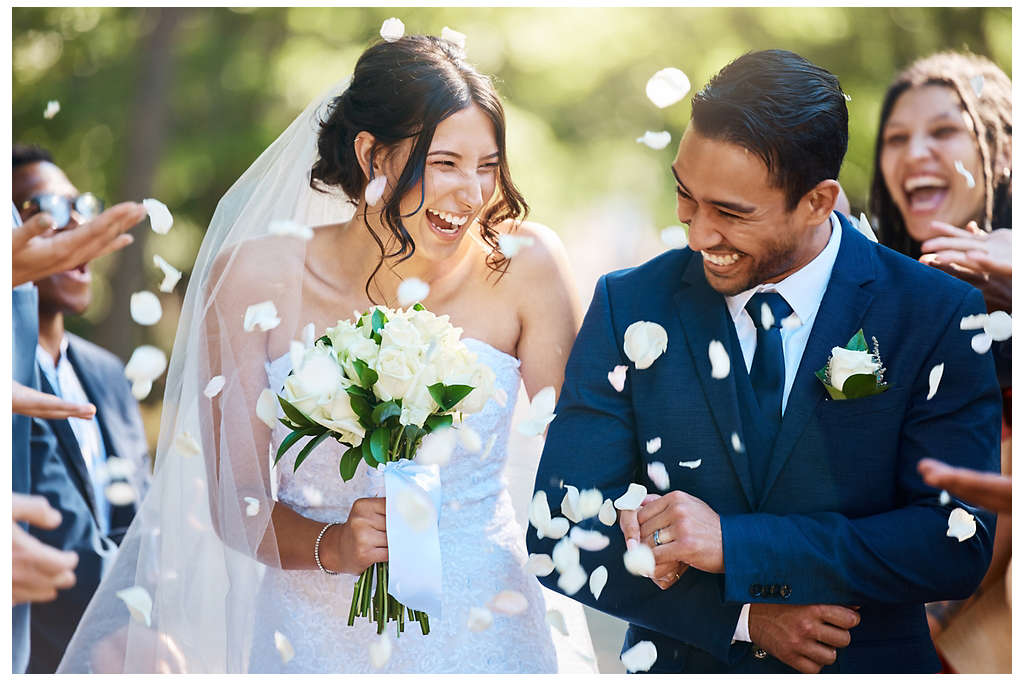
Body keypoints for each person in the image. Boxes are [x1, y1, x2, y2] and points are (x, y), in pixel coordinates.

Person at [59, 34, 597, 673]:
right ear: (372, 154)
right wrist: (333, 544)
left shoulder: (526, 267)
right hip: (312, 636)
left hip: (487, 629)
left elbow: (585, 453)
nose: (474, 193)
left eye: (488, 165)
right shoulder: (253, 280)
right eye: (446, 163)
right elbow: (239, 502)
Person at [527, 49, 1001, 673]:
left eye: (730, 213)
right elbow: (559, 530)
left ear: (818, 201)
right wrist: (744, 615)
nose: (697, 234)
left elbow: (952, 543)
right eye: (685, 196)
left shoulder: (935, 312)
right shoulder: (629, 303)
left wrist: (738, 548)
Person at [869, 51, 1011, 672]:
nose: (915, 152)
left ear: (999, 151)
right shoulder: (876, 302)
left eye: (944, 130)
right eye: (896, 138)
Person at [12, 145, 153, 672]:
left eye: (79, 204)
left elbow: (137, 517)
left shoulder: (108, 374)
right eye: (42, 206)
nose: (73, 222)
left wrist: (152, 618)